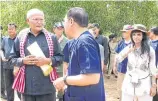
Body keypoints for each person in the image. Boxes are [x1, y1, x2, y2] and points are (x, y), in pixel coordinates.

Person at [9, 8, 63, 101]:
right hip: (27, 89)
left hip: (47, 88)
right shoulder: (21, 38)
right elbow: (11, 59)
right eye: (36, 19)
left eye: (41, 19)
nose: (39, 22)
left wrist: (48, 60)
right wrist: (22, 60)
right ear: (28, 21)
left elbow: (60, 58)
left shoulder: (51, 37)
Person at [53, 7, 105, 101]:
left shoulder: (84, 42)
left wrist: (64, 80)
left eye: (64, 21)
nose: (64, 26)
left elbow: (93, 77)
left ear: (71, 21)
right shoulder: (77, 41)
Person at [116, 24, 158, 101]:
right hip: (128, 84)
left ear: (143, 36)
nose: (136, 37)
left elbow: (153, 68)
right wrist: (128, 51)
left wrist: (154, 86)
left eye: (139, 34)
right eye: (134, 34)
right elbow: (118, 59)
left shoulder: (150, 50)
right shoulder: (129, 47)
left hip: (144, 85)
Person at [1, 23, 21, 101]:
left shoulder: (19, 39)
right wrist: (2, 56)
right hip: (7, 66)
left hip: (17, 67)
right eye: (9, 29)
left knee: (19, 86)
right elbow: (1, 49)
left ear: (15, 29)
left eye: (12, 29)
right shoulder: (5, 39)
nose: (10, 30)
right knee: (9, 87)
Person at [113, 24, 133, 100]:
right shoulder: (121, 42)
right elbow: (116, 54)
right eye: (123, 31)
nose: (123, 33)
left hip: (131, 71)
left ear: (130, 32)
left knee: (130, 89)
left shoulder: (134, 43)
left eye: (125, 31)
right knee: (120, 88)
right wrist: (114, 65)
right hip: (121, 69)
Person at [52, 21, 68, 101]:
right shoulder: (50, 39)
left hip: (62, 68)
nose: (60, 30)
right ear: (54, 29)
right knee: (51, 88)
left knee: (61, 89)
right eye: (58, 28)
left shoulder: (67, 41)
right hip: (51, 68)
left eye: (62, 28)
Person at [149, 27, 158, 101]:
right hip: (149, 71)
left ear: (154, 33)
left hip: (156, 71)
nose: (149, 33)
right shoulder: (150, 42)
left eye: (150, 32)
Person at [0, 25, 7, 100]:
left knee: (3, 76)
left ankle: (2, 92)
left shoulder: (4, 39)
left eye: (0, 29)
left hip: (3, 61)